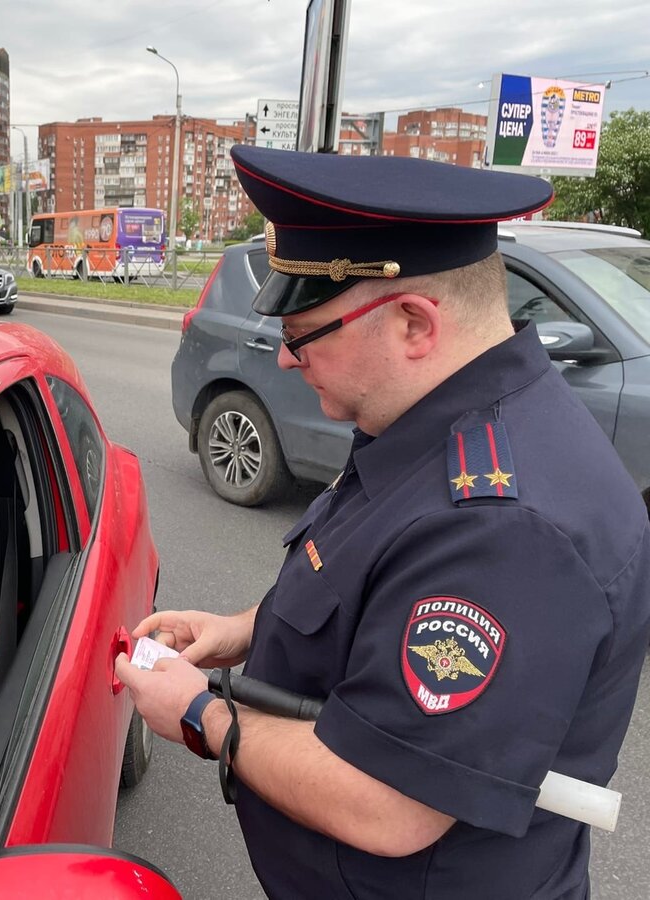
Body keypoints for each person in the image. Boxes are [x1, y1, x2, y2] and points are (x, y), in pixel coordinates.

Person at [117, 145, 650, 899]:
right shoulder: (427, 420)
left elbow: (386, 803)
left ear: (412, 323)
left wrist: (201, 714)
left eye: (305, 335)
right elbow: (363, 579)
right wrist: (240, 631)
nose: (289, 360)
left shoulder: (504, 527)